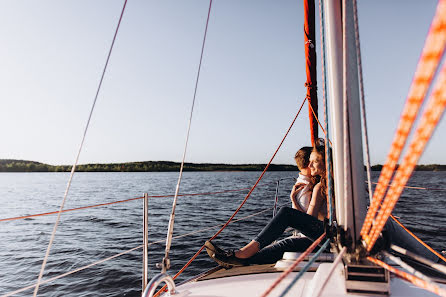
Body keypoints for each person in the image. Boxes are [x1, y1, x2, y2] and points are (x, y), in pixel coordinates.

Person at [206, 145, 333, 267]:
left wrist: (293, 200)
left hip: (330, 241)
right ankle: (240, 259)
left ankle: (241, 255)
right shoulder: (333, 182)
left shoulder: (320, 187)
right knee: (286, 243)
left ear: (326, 162)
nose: (309, 166)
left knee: (286, 215)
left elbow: (307, 222)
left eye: (314, 162)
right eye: (309, 162)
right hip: (333, 238)